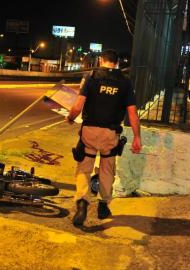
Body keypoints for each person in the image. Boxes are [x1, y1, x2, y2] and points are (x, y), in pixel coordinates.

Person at [66, 49, 142, 227]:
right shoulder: (125, 82)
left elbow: (78, 105)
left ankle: (82, 202)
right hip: (110, 134)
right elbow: (132, 113)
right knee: (107, 169)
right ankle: (103, 205)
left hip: (90, 132)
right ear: (117, 63)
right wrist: (137, 137)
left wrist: (70, 118)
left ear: (102, 60)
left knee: (84, 168)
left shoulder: (91, 76)